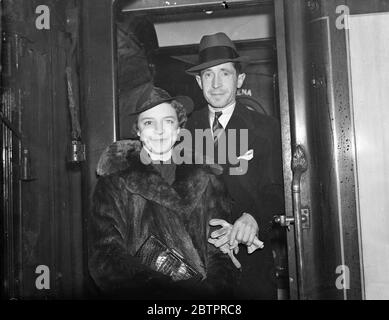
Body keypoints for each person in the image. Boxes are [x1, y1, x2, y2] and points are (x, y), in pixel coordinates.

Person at [88, 86, 236, 299]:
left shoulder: (207, 178)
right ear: (137, 131)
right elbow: (105, 254)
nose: (159, 130)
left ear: (178, 130)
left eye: (168, 121)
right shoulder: (115, 181)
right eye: (149, 123)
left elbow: (221, 253)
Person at [185, 32, 285, 299]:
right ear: (198, 81)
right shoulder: (183, 130)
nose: (216, 83)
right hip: (197, 267)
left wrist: (253, 218)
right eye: (208, 75)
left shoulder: (267, 129)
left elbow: (277, 190)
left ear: (239, 79)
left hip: (250, 265)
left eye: (225, 74)